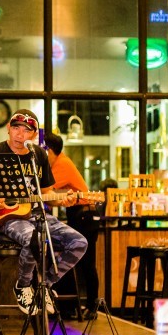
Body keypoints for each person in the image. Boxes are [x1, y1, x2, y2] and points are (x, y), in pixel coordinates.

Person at [0, 109, 87, 315]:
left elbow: (47, 194)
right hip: (7, 217)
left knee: (79, 242)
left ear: (33, 134)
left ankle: (44, 285)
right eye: (16, 128)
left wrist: (63, 199)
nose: (20, 134)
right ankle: (22, 286)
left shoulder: (38, 155)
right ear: (8, 128)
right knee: (34, 238)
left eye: (26, 130)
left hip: (37, 214)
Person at [44, 132, 100, 320]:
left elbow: (47, 191)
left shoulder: (61, 164)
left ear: (50, 150)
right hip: (80, 214)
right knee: (72, 258)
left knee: (86, 262)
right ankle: (69, 307)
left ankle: (91, 307)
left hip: (84, 214)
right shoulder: (61, 162)